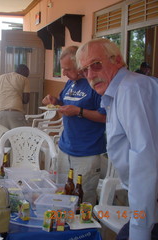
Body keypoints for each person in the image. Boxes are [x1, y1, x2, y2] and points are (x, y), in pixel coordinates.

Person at [76, 38, 158, 240]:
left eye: (95, 64)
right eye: (84, 70)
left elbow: (144, 159)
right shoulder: (117, 93)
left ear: (118, 60)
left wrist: (140, 230)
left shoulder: (131, 89)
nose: (90, 75)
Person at [42, 46, 106, 205]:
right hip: (65, 147)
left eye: (67, 69)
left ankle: (84, 230)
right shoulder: (70, 83)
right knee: (64, 192)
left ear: (80, 65)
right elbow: (64, 105)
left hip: (87, 151)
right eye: (62, 69)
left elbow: (105, 116)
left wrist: (79, 111)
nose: (64, 73)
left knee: (83, 198)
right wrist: (54, 102)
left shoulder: (95, 84)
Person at [0, 64, 30, 129]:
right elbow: (26, 100)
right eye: (27, 73)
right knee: (18, 137)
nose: (27, 76)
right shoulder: (24, 79)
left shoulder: (1, 77)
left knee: (3, 138)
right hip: (16, 113)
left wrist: (2, 98)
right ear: (23, 71)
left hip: (0, 113)